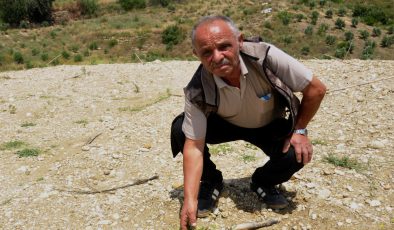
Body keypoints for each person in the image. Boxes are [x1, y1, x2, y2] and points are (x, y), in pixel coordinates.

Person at [170, 15, 326, 229]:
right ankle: (211, 181)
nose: (217, 57)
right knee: (181, 129)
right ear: (196, 54)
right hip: (224, 124)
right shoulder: (197, 89)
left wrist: (299, 129)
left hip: (268, 124)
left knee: (296, 153)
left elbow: (316, 89)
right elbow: (194, 147)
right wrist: (190, 199)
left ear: (239, 41)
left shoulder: (265, 56)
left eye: (225, 46)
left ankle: (263, 181)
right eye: (207, 52)